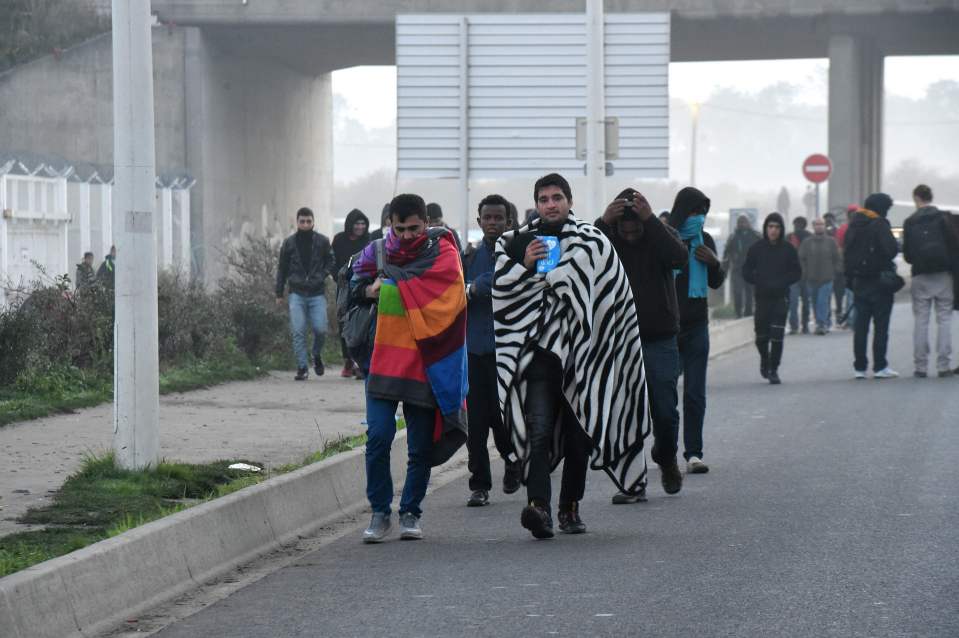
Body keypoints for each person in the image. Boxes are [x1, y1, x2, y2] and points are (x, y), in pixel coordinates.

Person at [493, 173, 649, 539]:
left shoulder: (593, 242)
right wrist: (528, 266)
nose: (551, 204)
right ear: (536, 203)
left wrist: (562, 278)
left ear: (569, 201)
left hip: (584, 358)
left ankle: (569, 508)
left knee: (581, 434)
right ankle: (538, 508)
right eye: (544, 198)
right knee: (539, 431)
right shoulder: (516, 243)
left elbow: (612, 299)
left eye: (557, 197)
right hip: (540, 358)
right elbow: (503, 290)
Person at [350, 194, 468, 543]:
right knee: (378, 436)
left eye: (413, 228)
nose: (404, 235)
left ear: (425, 221)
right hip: (381, 360)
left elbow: (453, 295)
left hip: (424, 362)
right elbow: (352, 286)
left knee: (418, 446)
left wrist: (390, 288)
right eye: (398, 228)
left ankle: (411, 512)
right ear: (390, 224)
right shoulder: (377, 252)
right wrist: (369, 291)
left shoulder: (442, 252)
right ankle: (379, 512)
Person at [597, 187, 689, 500]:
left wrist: (651, 222)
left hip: (660, 338)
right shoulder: (606, 240)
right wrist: (601, 223)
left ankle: (666, 456)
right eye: (625, 228)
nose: (631, 232)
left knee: (665, 411)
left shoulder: (661, 235)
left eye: (637, 226)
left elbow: (679, 257)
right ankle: (633, 483)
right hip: (620, 340)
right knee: (627, 413)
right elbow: (581, 258)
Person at [463, 195, 521, 507]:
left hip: (506, 352)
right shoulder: (468, 257)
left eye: (499, 218)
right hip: (473, 350)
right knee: (476, 423)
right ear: (479, 221)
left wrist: (477, 286)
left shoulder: (520, 252)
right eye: (488, 218)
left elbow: (516, 279)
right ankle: (479, 485)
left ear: (509, 221)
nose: (493, 223)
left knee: (503, 419)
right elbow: (454, 287)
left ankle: (512, 462)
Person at [668, 187, 725, 473]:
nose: (698, 218)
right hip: (667, 329)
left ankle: (693, 452)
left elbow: (716, 281)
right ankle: (664, 447)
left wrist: (713, 263)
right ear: (681, 211)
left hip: (697, 326)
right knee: (664, 395)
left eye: (702, 213)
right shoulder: (667, 238)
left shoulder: (707, 241)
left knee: (694, 393)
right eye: (693, 212)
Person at [844, 193, 900, 380]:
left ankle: (859, 367)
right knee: (881, 327)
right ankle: (879, 366)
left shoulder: (853, 224)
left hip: (859, 282)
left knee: (861, 327)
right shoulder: (880, 224)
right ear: (881, 208)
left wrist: (850, 280)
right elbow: (891, 250)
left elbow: (847, 254)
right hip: (880, 282)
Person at [275, 207, 335, 381]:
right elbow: (282, 269)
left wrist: (322, 275)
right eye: (302, 221)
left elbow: (331, 260)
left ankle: (316, 355)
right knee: (298, 330)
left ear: (313, 222)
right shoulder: (289, 243)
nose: (306, 224)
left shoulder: (323, 241)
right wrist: (279, 293)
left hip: (317, 293)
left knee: (321, 329)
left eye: (309, 221)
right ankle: (302, 367)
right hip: (297, 293)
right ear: (297, 222)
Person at [903, 184, 957, 378]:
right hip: (943, 275)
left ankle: (921, 366)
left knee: (921, 321)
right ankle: (943, 366)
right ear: (931, 198)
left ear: (917, 198)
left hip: (920, 275)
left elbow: (907, 255)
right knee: (944, 320)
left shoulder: (909, 222)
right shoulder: (943, 218)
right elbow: (953, 245)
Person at [743, 213, 801, 385]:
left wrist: (782, 282)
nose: (773, 230)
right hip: (762, 298)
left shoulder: (788, 249)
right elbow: (746, 271)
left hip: (780, 298)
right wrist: (758, 280)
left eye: (777, 227)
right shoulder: (756, 249)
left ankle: (774, 369)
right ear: (766, 228)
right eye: (770, 227)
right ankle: (765, 360)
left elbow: (797, 272)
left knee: (777, 336)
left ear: (781, 229)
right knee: (761, 337)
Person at [331, 208, 371, 378]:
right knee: (344, 322)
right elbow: (332, 260)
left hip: (361, 287)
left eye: (363, 223)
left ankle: (358, 362)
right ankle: (348, 359)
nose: (360, 227)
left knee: (360, 322)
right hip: (343, 286)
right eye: (357, 223)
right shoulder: (339, 240)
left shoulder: (368, 241)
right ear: (350, 224)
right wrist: (337, 276)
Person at [799, 218, 842, 335]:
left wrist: (835, 271)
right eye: (817, 224)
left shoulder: (831, 242)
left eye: (821, 224)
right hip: (811, 278)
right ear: (813, 226)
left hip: (827, 278)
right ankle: (824, 322)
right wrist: (804, 272)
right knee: (815, 302)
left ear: (824, 226)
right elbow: (801, 258)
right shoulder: (807, 242)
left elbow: (837, 258)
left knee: (822, 301)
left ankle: (821, 324)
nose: (819, 226)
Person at [723, 214, 761, 318]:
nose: (743, 224)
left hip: (752, 269)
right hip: (737, 269)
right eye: (740, 222)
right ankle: (738, 312)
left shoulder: (756, 236)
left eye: (745, 222)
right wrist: (724, 270)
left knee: (750, 291)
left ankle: (748, 312)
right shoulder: (733, 237)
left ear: (749, 223)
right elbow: (726, 254)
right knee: (737, 291)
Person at [786, 216, 812, 334]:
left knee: (794, 302)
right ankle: (803, 325)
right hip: (803, 274)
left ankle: (795, 326)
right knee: (804, 302)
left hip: (796, 274)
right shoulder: (811, 237)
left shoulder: (790, 237)